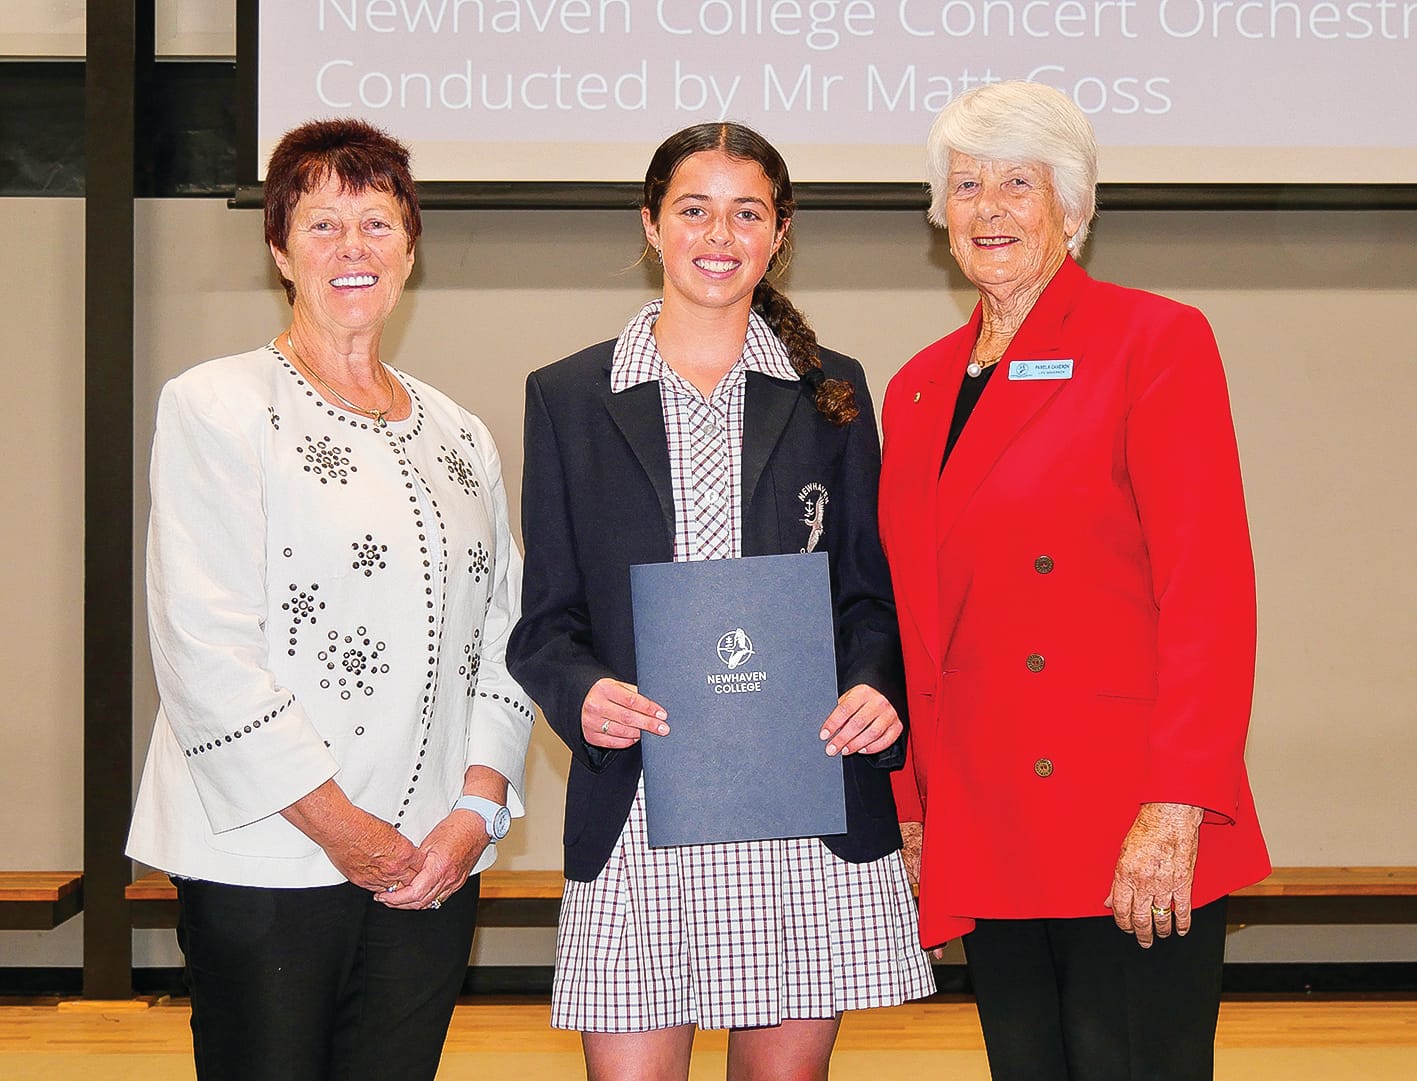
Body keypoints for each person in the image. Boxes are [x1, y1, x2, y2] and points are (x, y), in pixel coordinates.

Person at [507, 122, 934, 1081]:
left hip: (799, 795)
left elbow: (867, 595)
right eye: (693, 209)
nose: (719, 234)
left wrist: (873, 685)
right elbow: (546, 620)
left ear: (779, 233)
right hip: (641, 800)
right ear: (650, 225)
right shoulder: (569, 396)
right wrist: (582, 694)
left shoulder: (832, 391)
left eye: (747, 213)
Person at [878, 80, 1271, 1080]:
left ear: (1073, 205)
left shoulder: (1152, 341)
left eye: (1019, 182)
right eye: (966, 185)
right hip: (983, 815)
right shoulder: (917, 388)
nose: (989, 208)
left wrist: (1176, 804)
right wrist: (909, 802)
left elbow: (1208, 592)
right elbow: (910, 618)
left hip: (1120, 812)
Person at [126, 118, 534, 1081]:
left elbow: (507, 633)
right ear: (279, 249)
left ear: (409, 248)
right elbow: (203, 646)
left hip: (433, 862)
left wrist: (475, 813)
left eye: (378, 223)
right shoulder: (217, 404)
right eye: (322, 224)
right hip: (266, 854)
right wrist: (343, 831)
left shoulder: (459, 432)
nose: (354, 247)